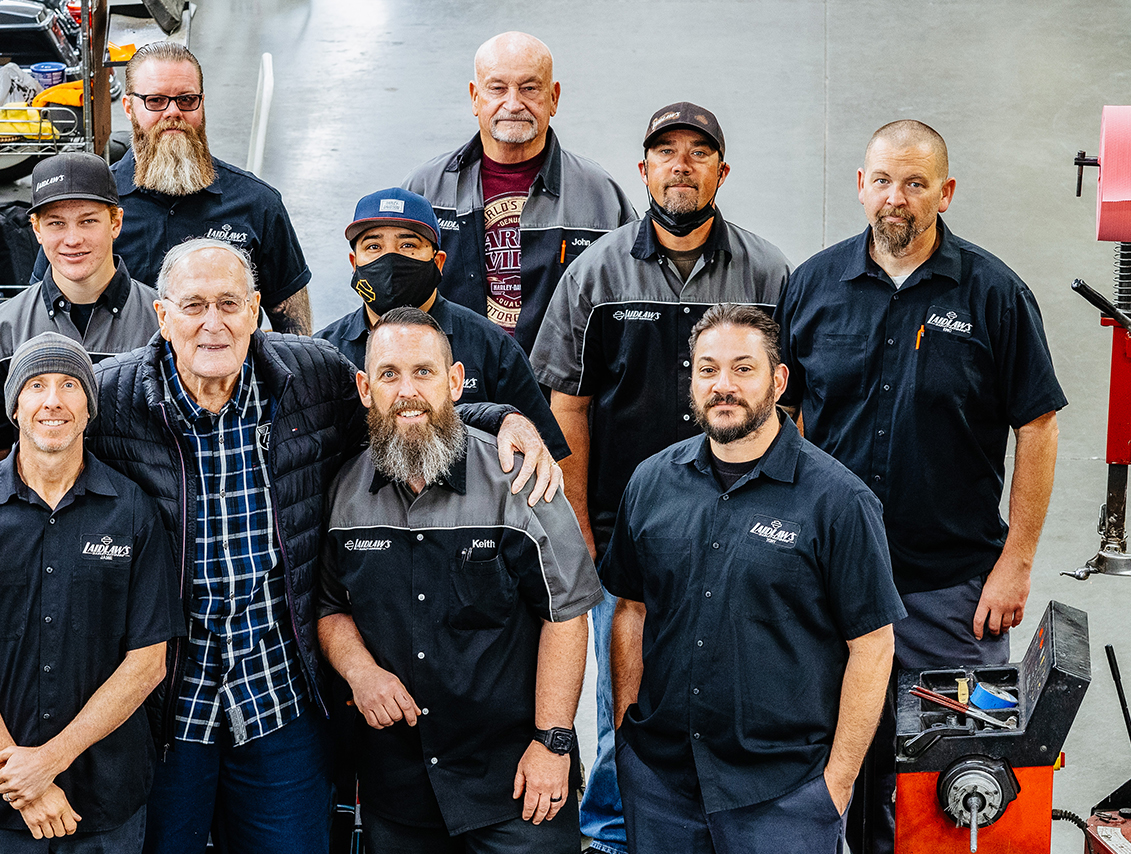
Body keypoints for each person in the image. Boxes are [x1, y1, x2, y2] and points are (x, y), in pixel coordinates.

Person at [0, 238, 562, 854]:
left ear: (256, 311)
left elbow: (397, 404)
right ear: (161, 317)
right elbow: (31, 456)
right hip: (166, 705)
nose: (213, 323)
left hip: (279, 698)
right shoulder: (112, 398)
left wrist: (500, 418)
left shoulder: (312, 379)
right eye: (194, 307)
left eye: (230, 304)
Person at [773, 120, 1066, 853]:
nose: (894, 198)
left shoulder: (995, 294)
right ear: (860, 186)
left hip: (952, 591)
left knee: (953, 787)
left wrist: (1017, 562)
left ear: (946, 191)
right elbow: (789, 416)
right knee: (829, 775)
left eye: (914, 182)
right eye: (881, 180)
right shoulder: (812, 285)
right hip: (830, 585)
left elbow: (1038, 427)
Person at [529, 102, 789, 854]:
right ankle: (614, 836)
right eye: (665, 152)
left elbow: (792, 407)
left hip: (746, 532)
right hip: (628, 538)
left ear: (722, 171)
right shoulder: (596, 273)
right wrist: (579, 530)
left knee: (733, 690)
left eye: (698, 152)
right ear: (644, 170)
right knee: (625, 702)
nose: (682, 164)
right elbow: (567, 407)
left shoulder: (768, 272)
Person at [603, 304, 901, 854]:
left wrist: (835, 786)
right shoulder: (650, 483)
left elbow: (873, 646)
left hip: (784, 797)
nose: (723, 386)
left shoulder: (839, 501)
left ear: (778, 380)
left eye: (743, 369)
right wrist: (627, 737)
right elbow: (631, 611)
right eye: (708, 369)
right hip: (663, 786)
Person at [318, 308, 598, 853]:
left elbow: (565, 616)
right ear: (364, 387)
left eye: (423, 372)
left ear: (454, 381)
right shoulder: (342, 492)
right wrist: (360, 672)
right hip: (397, 791)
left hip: (516, 785)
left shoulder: (520, 478)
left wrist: (553, 743)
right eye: (389, 374)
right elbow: (330, 606)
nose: (407, 391)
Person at [0, 332, 183, 852]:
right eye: (37, 385)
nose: (53, 401)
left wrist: (46, 763)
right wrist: (25, 784)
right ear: (15, 407)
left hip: (105, 800)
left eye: (70, 385)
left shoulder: (132, 511)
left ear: (89, 408)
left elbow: (147, 663)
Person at [32, 41, 313, 334]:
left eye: (187, 100)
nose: (172, 112)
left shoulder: (258, 204)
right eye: (155, 101)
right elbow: (42, 312)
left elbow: (296, 333)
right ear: (128, 107)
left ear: (202, 103)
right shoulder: (90, 206)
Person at [402, 32, 634, 356]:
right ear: (475, 97)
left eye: (529, 88)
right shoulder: (424, 192)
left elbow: (629, 313)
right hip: (453, 394)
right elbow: (396, 306)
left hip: (559, 398)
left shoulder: (601, 198)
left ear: (553, 98)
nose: (513, 104)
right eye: (497, 88)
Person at [0, 152, 161, 479]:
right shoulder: (0, 334)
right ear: (36, 228)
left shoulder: (163, 325)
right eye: (56, 223)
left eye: (88, 220)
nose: (72, 239)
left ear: (115, 222)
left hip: (139, 523)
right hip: (35, 525)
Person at [315, 187, 568, 456]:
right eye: (373, 246)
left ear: (438, 261)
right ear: (355, 263)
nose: (390, 259)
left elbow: (546, 455)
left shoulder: (492, 348)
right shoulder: (322, 354)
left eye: (408, 245)